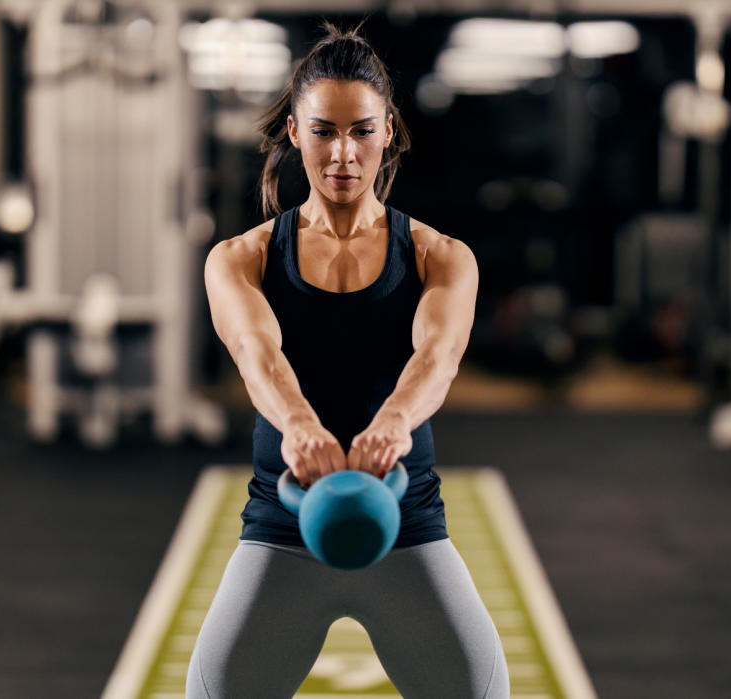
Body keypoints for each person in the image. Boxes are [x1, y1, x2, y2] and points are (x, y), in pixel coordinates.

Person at [186, 23, 510, 699]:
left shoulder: (440, 256)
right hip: (283, 529)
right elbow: (256, 352)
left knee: (483, 688)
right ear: (295, 134)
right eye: (324, 130)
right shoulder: (238, 259)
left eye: (361, 130)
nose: (343, 152)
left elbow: (439, 354)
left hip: (406, 522)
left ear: (387, 130)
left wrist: (393, 420)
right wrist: (300, 425)